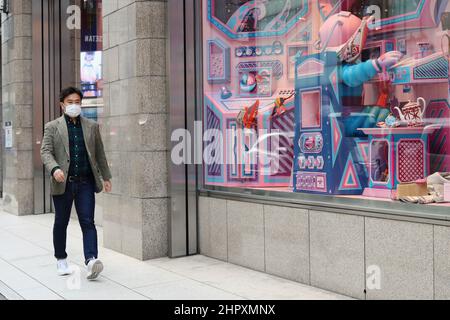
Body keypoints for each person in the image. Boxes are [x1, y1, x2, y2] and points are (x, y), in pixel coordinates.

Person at [40, 87, 112, 280]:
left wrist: (106, 177)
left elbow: (100, 154)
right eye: (70, 102)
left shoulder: (91, 126)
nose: (74, 105)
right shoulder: (52, 127)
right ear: (62, 104)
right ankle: (61, 259)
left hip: (85, 182)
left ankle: (91, 261)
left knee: (88, 222)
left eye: (77, 102)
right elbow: (45, 152)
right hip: (63, 183)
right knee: (61, 222)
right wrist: (55, 169)